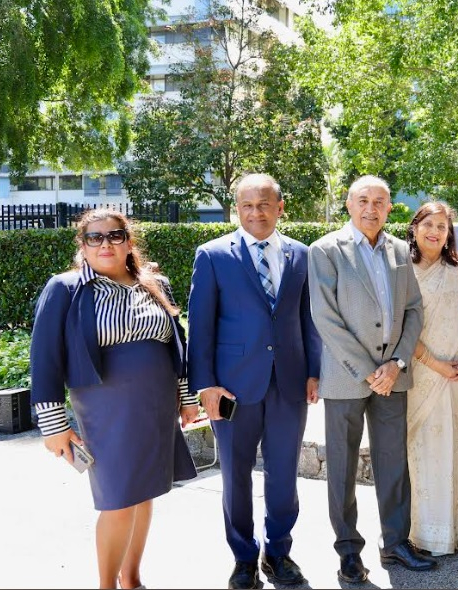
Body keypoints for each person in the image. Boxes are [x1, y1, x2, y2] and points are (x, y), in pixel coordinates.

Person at [29, 208, 200, 589]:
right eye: (95, 237)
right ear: (83, 245)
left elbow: (178, 346)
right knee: (118, 499)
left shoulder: (155, 284)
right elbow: (44, 359)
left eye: (115, 235)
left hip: (156, 405)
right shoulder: (66, 289)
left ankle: (132, 580)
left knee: (143, 494)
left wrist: (187, 399)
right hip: (106, 409)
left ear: (129, 241)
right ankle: (107, 585)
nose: (105, 243)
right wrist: (53, 425)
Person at [187, 174, 322, 589]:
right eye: (246, 205)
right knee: (236, 475)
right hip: (231, 389)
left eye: (263, 204)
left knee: (283, 474)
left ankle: (278, 552)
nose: (255, 212)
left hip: (289, 384)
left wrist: (313, 370)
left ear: (280, 207)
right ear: (236, 209)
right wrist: (205, 384)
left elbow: (308, 319)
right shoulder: (212, 256)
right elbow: (200, 325)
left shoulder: (301, 255)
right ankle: (243, 556)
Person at [308, 175, 436, 583]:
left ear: (388, 207)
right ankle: (348, 551)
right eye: (363, 200)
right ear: (349, 204)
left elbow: (414, 310)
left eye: (379, 202)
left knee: (392, 463)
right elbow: (325, 318)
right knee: (342, 468)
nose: (371, 208)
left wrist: (397, 362)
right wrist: (368, 370)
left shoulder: (399, 249)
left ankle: (395, 544)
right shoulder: (325, 250)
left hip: (393, 375)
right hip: (348, 377)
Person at [403, 202, 458, 555]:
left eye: (442, 226)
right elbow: (400, 328)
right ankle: (420, 534)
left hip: (455, 376)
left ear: (450, 233)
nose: (434, 231)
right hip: (420, 375)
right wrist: (437, 365)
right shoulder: (401, 269)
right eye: (428, 224)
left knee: (448, 448)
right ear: (415, 227)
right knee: (419, 451)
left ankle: (451, 531)